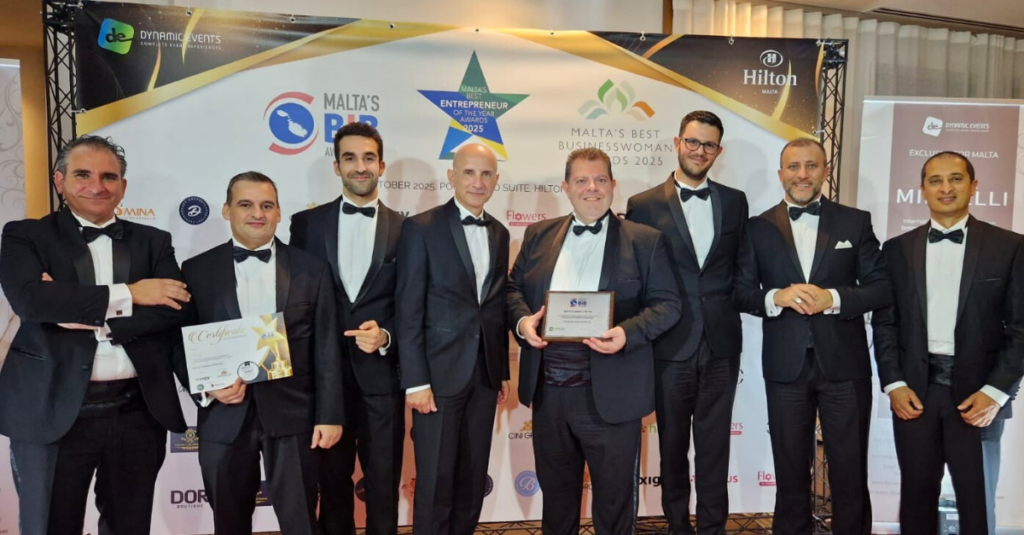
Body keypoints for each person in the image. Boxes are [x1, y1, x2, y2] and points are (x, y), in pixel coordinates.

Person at [0, 135, 191, 535]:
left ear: (123, 186)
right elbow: (32, 303)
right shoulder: (24, 235)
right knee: (49, 525)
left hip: (137, 412)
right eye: (83, 174)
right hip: (51, 409)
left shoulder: (154, 241)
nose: (97, 185)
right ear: (60, 181)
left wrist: (77, 307)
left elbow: (174, 310)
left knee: (130, 526)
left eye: (109, 176)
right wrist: (132, 295)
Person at [508, 147, 681, 534]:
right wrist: (523, 324)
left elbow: (668, 305)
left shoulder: (645, 240)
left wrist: (626, 333)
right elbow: (513, 290)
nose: (592, 188)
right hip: (549, 394)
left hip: (612, 395)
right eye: (582, 180)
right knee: (557, 502)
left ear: (613, 185)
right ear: (566, 187)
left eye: (600, 179)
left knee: (615, 506)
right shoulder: (537, 234)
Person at [733, 138, 890, 535]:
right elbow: (739, 291)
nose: (802, 175)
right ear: (781, 173)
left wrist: (834, 298)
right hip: (785, 368)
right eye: (794, 167)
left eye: (811, 166)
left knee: (850, 470)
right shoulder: (755, 228)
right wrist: (777, 296)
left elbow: (881, 287)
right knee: (788, 471)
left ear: (825, 170)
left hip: (845, 366)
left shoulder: (856, 221)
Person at [175, 172, 344, 535]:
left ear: (279, 213)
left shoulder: (312, 269)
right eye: (246, 204)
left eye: (267, 205)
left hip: (293, 415)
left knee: (302, 522)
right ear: (226, 210)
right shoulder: (196, 270)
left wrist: (330, 415)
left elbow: (326, 347)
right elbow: (178, 343)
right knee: (229, 523)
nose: (258, 213)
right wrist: (205, 389)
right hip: (223, 416)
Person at [872, 151, 1024, 535]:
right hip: (915, 394)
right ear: (921, 189)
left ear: (974, 186)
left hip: (979, 397)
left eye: (956, 179)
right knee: (916, 503)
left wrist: (996, 392)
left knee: (977, 504)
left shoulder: (1010, 246)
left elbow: (1022, 328)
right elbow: (886, 323)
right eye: (936, 180)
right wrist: (894, 383)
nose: (945, 188)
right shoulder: (895, 249)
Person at [626, 111, 748, 535]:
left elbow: (740, 270)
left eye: (709, 144)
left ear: (719, 150)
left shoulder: (735, 201)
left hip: (721, 344)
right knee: (673, 448)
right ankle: (677, 526)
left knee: (715, 449)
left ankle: (713, 528)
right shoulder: (642, 205)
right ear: (677, 143)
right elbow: (637, 279)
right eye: (693, 142)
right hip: (668, 344)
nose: (700, 151)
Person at [290, 122, 406, 535]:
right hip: (325, 383)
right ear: (336, 166)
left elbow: (411, 303)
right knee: (331, 485)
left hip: (382, 380)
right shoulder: (305, 226)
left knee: (384, 487)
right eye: (350, 158)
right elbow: (295, 300)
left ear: (382, 165)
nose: (361, 167)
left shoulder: (406, 227)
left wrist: (387, 334)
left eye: (368, 158)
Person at [396, 143, 510, 535]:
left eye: (486, 174)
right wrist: (415, 381)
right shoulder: (421, 227)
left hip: (483, 376)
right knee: (435, 482)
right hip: (436, 378)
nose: (478, 182)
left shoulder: (501, 232)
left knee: (472, 478)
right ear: (451, 176)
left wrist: (501, 370)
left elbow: (492, 308)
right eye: (469, 173)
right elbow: (408, 308)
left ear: (496, 179)